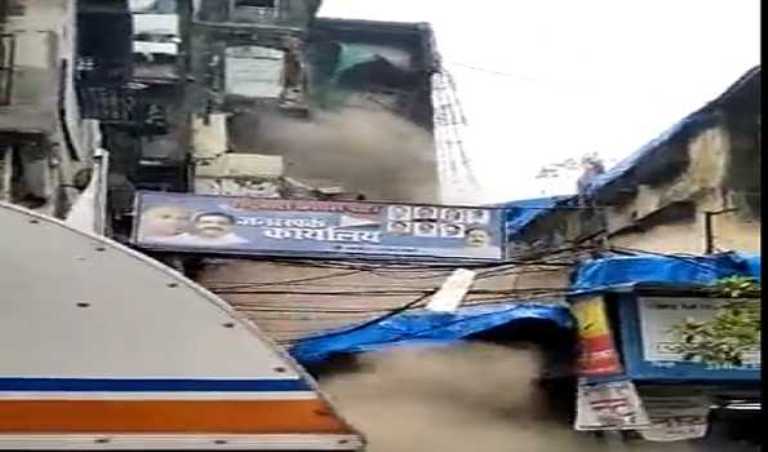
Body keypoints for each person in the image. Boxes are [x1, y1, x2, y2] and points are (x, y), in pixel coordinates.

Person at [168, 212, 249, 247]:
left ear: (230, 227)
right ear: (197, 224)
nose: (213, 225)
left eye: (221, 223)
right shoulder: (179, 240)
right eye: (207, 222)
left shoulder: (240, 244)